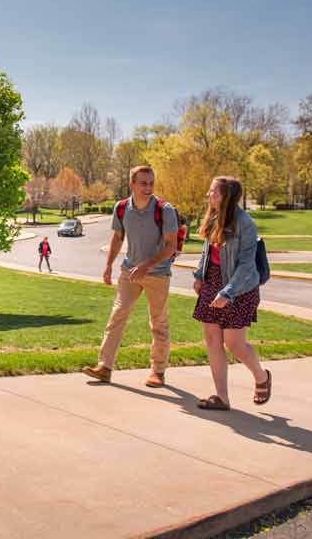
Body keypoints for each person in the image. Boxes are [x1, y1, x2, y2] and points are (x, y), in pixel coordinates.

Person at [82, 165, 178, 387]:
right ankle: (104, 367)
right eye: (143, 183)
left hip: (158, 274)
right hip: (129, 271)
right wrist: (108, 266)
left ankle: (158, 371)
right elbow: (117, 238)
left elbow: (171, 246)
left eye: (151, 183)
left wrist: (146, 266)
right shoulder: (122, 207)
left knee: (158, 323)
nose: (148, 187)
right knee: (117, 315)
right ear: (132, 184)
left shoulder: (165, 209)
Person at [192, 176, 271, 411]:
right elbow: (207, 250)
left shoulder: (245, 223)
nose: (209, 195)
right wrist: (199, 276)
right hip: (212, 281)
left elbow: (247, 265)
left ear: (226, 196)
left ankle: (261, 377)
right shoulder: (214, 217)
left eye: (213, 192)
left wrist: (228, 292)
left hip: (240, 287)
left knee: (234, 344)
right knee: (212, 339)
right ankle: (222, 397)